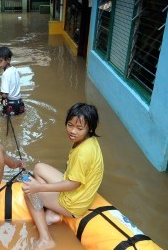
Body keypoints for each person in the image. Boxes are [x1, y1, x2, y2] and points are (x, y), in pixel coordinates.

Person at [22, 103, 104, 249]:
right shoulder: (89, 141)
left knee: (28, 191)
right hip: (77, 192)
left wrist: (38, 187)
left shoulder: (83, 154)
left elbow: (73, 184)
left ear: (89, 128)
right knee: (39, 168)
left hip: (73, 203)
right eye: (70, 125)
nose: (72, 131)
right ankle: (52, 213)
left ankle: (46, 239)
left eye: (79, 128)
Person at [0, 46, 25, 116]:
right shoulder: (15, 70)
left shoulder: (5, 74)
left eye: (0, 61)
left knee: (3, 121)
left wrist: (0, 92)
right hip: (20, 103)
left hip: (11, 105)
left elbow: (5, 95)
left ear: (8, 60)